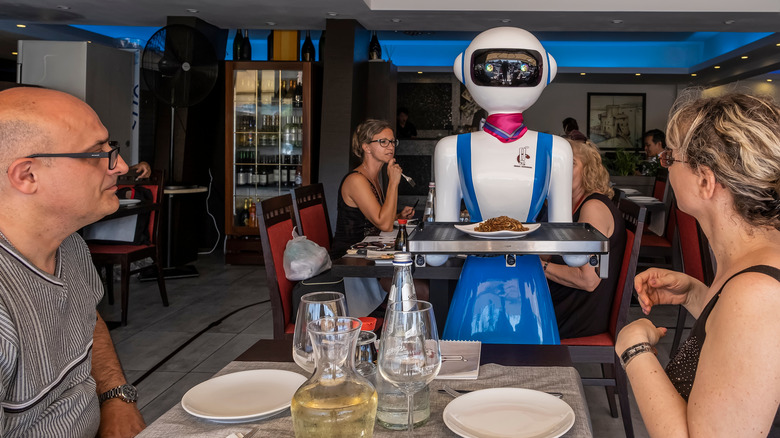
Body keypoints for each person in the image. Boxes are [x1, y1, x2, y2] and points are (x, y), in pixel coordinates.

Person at [615, 93, 780, 436]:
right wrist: (695, 295)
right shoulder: (749, 269)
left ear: (705, 181)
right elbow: (734, 341)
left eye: (671, 157)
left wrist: (633, 348)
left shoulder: (757, 292)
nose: (665, 163)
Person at [0, 87, 146, 437]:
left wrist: (114, 397)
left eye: (111, 149)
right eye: (97, 154)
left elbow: (84, 317)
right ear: (27, 175)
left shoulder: (71, 249)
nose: (121, 166)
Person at [543, 138, 626, 338]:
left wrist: (538, 266)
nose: (559, 170)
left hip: (578, 315)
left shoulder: (593, 208)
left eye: (570, 163)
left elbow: (588, 280)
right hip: (566, 300)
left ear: (588, 170)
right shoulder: (567, 206)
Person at [331, 119, 414, 258]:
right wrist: (393, 183)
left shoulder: (374, 177)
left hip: (368, 254)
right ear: (366, 147)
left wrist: (398, 217)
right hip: (349, 260)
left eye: (392, 141)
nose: (390, 147)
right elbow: (385, 225)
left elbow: (375, 220)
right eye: (383, 141)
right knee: (412, 275)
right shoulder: (356, 180)